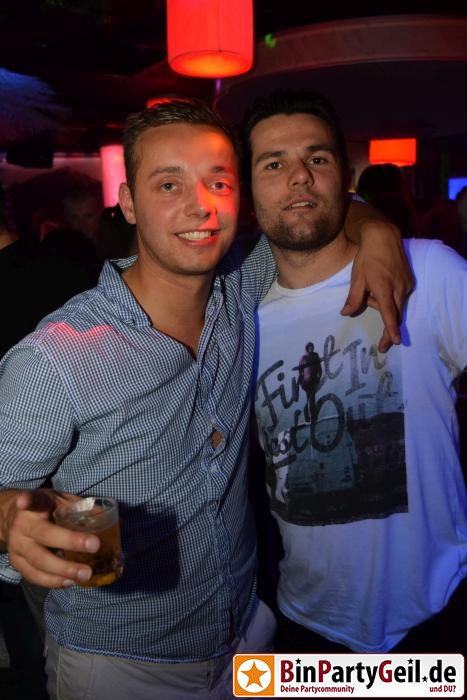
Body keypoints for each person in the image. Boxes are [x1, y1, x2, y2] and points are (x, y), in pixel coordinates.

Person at [0, 98, 412, 700]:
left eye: (218, 182)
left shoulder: (240, 285)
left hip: (248, 636)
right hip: (120, 665)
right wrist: (8, 514)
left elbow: (315, 209)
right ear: (129, 203)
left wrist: (378, 229)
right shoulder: (58, 359)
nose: (200, 205)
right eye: (169, 184)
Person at [249, 90, 467, 654]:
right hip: (306, 623)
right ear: (248, 192)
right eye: (272, 164)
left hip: (436, 615)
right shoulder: (237, 320)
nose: (299, 176)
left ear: (345, 178)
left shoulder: (429, 271)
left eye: (316, 158)